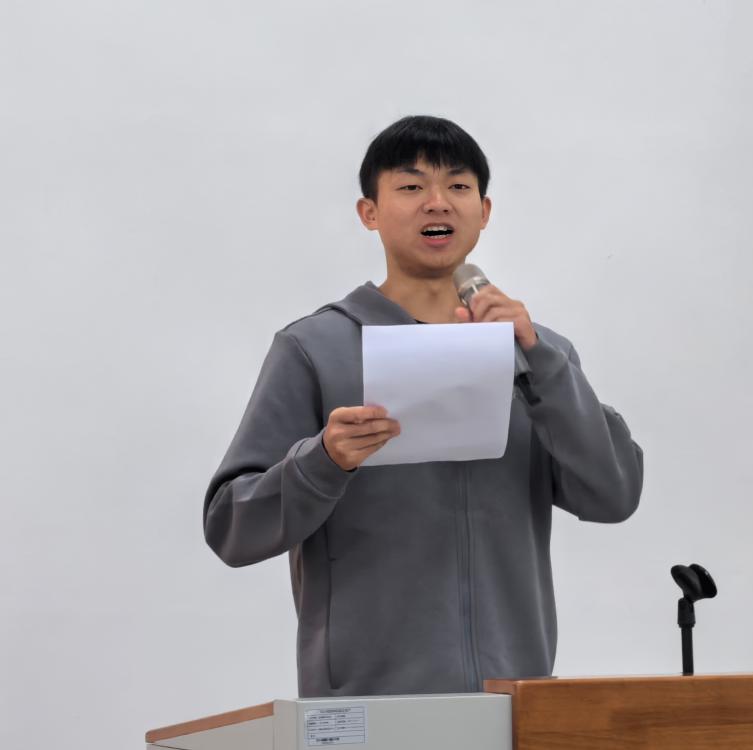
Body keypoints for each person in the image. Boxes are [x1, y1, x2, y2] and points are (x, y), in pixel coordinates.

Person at [204, 115, 644, 697]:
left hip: (513, 700)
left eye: (458, 186)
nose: (438, 202)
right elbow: (231, 529)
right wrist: (323, 461)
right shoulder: (313, 349)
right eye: (411, 186)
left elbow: (614, 495)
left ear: (484, 211)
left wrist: (541, 362)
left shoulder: (539, 354)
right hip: (366, 708)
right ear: (369, 212)